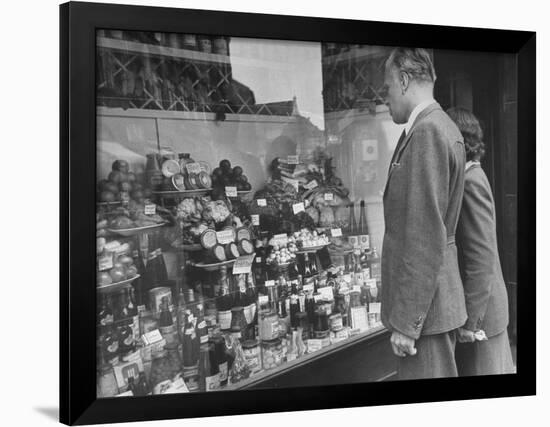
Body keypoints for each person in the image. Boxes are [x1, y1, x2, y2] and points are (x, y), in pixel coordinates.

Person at [380, 48, 467, 379]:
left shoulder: (427, 131)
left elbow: (423, 234)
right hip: (432, 308)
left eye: (387, 88)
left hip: (425, 315)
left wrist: (406, 323)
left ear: (403, 81)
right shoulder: (439, 126)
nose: (385, 98)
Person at [447, 107, 514, 376]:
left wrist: (470, 322)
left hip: (482, 317)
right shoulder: (469, 177)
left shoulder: (470, 181)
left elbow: (481, 257)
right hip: (483, 313)